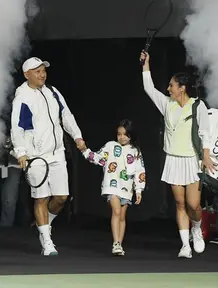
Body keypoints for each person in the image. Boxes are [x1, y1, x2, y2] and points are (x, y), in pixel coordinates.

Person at [140, 51, 216, 258]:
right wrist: (146, 64)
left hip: (191, 160)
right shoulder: (167, 104)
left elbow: (205, 132)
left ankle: (197, 229)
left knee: (194, 205)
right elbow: (149, 88)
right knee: (180, 204)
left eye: (171, 85)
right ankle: (185, 245)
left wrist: (206, 155)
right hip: (173, 159)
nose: (168, 89)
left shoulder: (198, 105)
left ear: (182, 88)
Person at [10, 57, 86, 256]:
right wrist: (21, 153)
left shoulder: (52, 92)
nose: (42, 74)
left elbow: (66, 115)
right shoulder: (22, 97)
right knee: (41, 198)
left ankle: (45, 224)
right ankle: (47, 241)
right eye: (37, 71)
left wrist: (77, 136)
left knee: (61, 197)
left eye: (43, 70)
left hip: (57, 153)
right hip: (35, 157)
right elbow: (17, 127)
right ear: (27, 75)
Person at [82, 119, 146, 256]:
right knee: (116, 211)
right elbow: (99, 158)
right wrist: (85, 151)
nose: (121, 137)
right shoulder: (110, 146)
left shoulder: (135, 152)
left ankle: (119, 244)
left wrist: (139, 189)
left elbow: (139, 171)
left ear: (130, 135)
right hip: (111, 186)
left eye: (125, 134)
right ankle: (116, 243)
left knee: (122, 216)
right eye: (119, 134)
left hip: (127, 188)